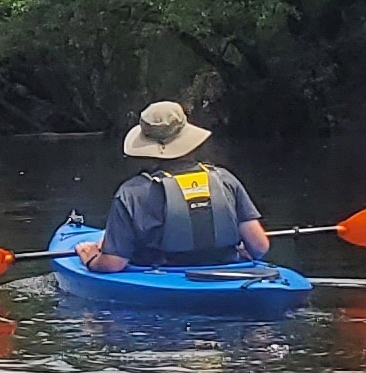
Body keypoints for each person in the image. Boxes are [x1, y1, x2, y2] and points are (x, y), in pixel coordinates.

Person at [78, 100, 272, 271]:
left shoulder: (131, 193)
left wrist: (91, 259)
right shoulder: (225, 179)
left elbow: (114, 263)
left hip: (163, 277)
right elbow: (259, 246)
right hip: (227, 272)